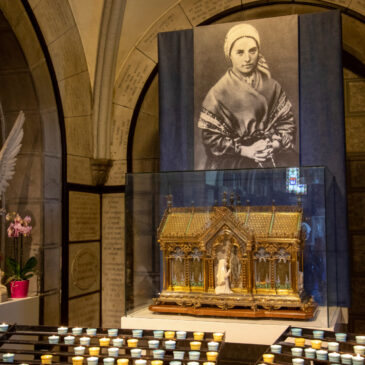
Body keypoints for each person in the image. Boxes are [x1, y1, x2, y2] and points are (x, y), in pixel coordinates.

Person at [198, 23, 297, 169]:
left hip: (271, 153)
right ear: (229, 55)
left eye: (252, 51)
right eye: (240, 52)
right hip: (234, 160)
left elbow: (287, 124)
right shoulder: (217, 93)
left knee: (292, 176)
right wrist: (247, 150)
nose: (247, 58)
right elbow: (211, 139)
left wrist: (273, 145)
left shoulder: (272, 86)